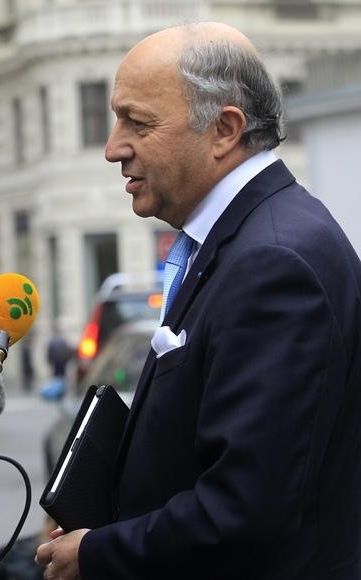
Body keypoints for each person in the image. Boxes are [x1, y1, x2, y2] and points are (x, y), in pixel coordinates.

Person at [35, 22, 361, 579]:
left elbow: (244, 511)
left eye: (138, 122)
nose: (114, 148)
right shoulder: (254, 237)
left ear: (224, 130)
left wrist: (96, 553)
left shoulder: (272, 261)